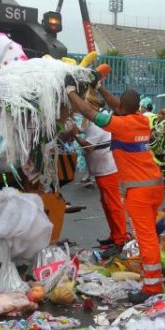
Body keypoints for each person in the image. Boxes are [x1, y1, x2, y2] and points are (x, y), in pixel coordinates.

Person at [65, 78, 164, 303]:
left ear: (123, 109)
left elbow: (88, 112)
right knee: (149, 237)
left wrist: (70, 91)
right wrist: (99, 87)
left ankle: (152, 286)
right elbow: (119, 106)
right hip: (153, 185)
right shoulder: (140, 121)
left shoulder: (121, 125)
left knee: (146, 238)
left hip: (139, 190)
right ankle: (152, 278)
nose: (116, 107)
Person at [71, 93, 126, 255]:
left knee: (113, 205)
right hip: (102, 168)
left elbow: (88, 147)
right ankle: (115, 235)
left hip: (107, 170)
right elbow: (85, 130)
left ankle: (121, 239)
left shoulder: (97, 124)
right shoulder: (95, 120)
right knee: (107, 204)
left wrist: (75, 134)